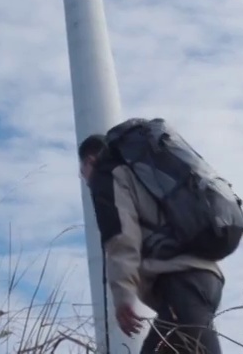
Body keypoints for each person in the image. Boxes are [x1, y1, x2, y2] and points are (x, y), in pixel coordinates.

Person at [79, 133, 224, 354]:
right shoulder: (144, 174)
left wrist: (123, 296)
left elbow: (121, 237)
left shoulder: (107, 176)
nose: (86, 180)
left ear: (90, 161)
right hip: (206, 279)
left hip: (182, 284)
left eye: (82, 173)